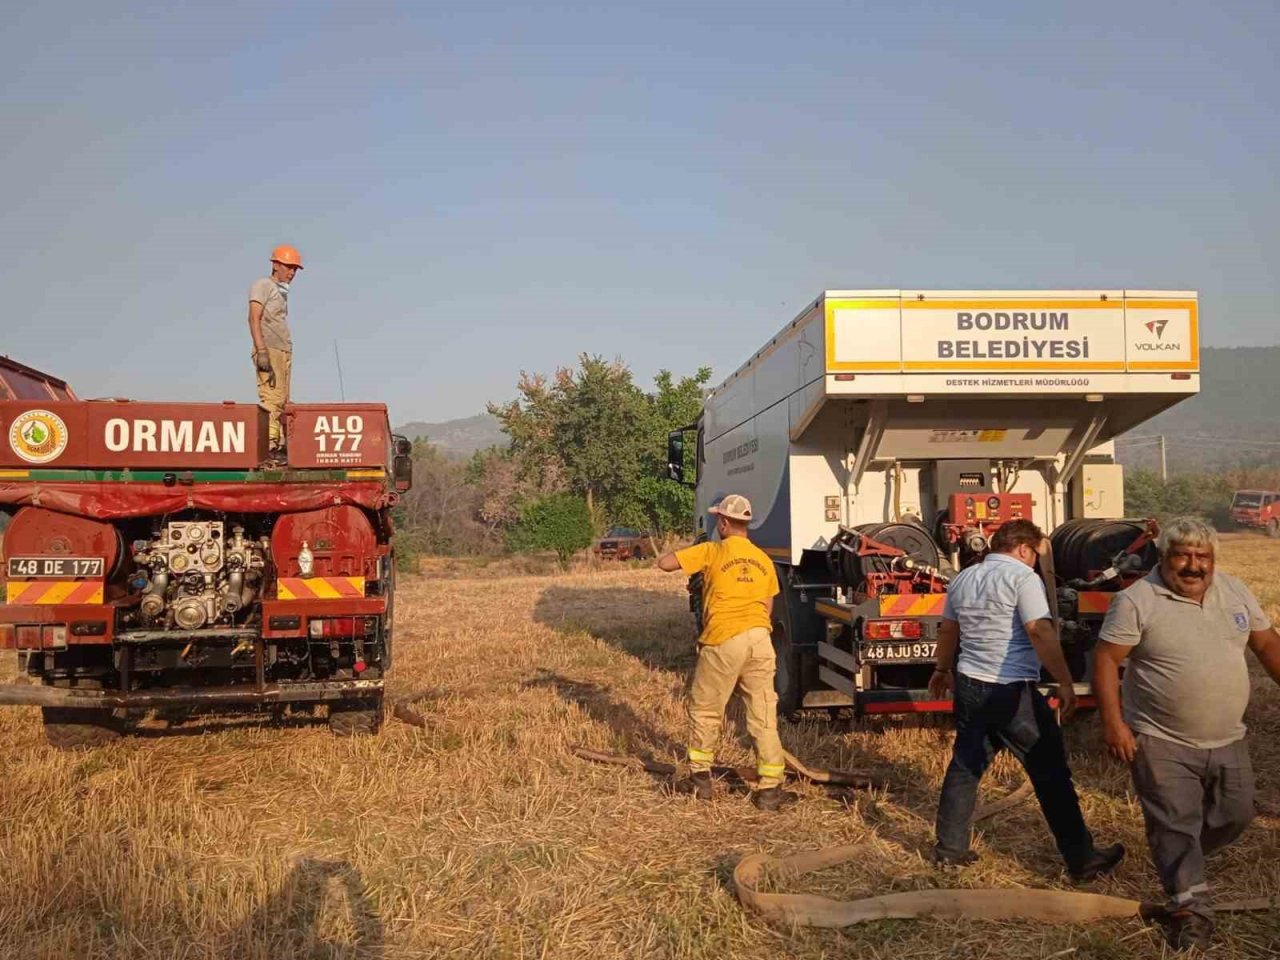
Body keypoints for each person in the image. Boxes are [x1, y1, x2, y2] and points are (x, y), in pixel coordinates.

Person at [1094, 516, 1280, 951]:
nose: (1194, 566)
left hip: (1228, 736)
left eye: (1203, 557)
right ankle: (1190, 910)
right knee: (1175, 826)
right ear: (1164, 557)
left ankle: (1179, 857)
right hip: (1160, 739)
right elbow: (1105, 660)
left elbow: (1268, 645)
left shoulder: (1235, 591)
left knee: (1236, 814)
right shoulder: (1137, 600)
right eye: (1184, 555)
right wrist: (1114, 722)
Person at [929, 518, 1124, 880]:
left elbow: (949, 629)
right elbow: (1039, 629)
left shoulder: (963, 578)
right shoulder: (1022, 578)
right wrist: (1065, 681)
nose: (1036, 560)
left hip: (970, 684)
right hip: (1011, 690)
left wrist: (942, 670)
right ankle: (1082, 859)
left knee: (965, 767)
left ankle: (949, 850)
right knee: (1051, 773)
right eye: (1036, 553)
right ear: (1023, 548)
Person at [655, 494, 793, 811]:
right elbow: (768, 607)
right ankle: (770, 789)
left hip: (723, 639)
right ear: (748, 524)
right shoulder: (763, 560)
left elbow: (665, 564)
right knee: (763, 716)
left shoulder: (713, 550)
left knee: (706, 710)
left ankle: (700, 778)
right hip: (760, 640)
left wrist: (674, 552)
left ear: (724, 522)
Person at [248, 245, 303, 457]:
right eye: (289, 267)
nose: (292, 273)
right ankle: (269, 445)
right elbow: (254, 318)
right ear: (275, 265)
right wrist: (261, 350)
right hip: (269, 349)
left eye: (295, 269)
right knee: (272, 398)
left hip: (283, 350)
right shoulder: (263, 285)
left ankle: (279, 443)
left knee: (283, 400)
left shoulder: (280, 293)